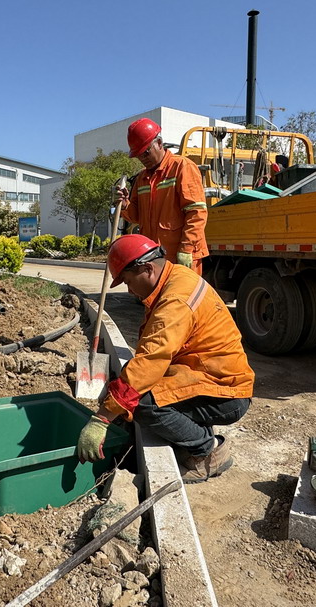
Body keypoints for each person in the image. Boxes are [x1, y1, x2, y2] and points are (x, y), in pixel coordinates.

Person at [76, 235, 254, 483]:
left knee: (143, 404)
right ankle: (192, 434)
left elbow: (152, 358)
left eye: (128, 281)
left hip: (226, 392)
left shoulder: (175, 300)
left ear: (147, 269)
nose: (130, 290)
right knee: (135, 387)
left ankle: (208, 451)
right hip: (208, 374)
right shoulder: (174, 279)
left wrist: (102, 418)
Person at [116, 118, 209, 275]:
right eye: (139, 155)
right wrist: (125, 204)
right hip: (154, 257)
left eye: (146, 152)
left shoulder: (182, 167)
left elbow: (196, 212)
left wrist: (186, 248)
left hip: (181, 256)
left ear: (159, 143)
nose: (143, 158)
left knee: (182, 292)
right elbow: (136, 216)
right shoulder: (141, 178)